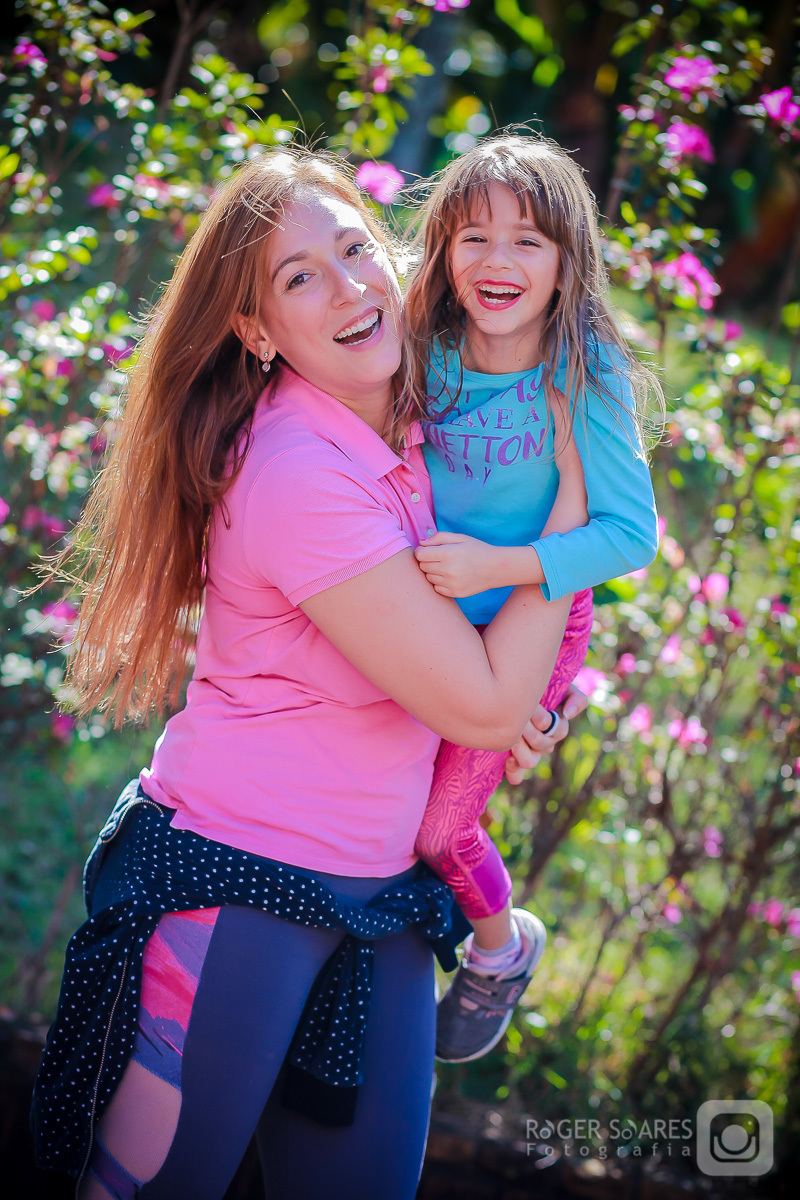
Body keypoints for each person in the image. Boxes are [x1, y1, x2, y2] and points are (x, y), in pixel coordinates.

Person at [31, 147, 588, 1200]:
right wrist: (575, 505)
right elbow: (476, 695)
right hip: (232, 889)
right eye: (298, 279)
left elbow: (484, 663)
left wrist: (529, 698)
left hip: (377, 895)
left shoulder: (430, 420)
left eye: (351, 249)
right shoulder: (293, 471)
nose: (346, 288)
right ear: (255, 331)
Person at [404, 133, 662, 1064]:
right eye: (474, 238)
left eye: (528, 241)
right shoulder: (418, 351)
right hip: (428, 616)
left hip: (533, 616)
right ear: (441, 253)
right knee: (387, 806)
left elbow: (632, 536)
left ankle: (501, 948)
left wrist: (500, 569)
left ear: (567, 264)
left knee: (443, 827)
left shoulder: (582, 373)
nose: (497, 261)